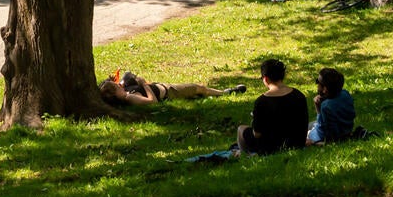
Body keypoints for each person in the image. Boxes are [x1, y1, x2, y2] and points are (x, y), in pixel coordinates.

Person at [236, 59, 308, 155]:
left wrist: (255, 120)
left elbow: (257, 134)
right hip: (296, 143)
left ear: (265, 79)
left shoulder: (261, 102)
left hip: (271, 148)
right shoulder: (299, 95)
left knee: (241, 129)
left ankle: (246, 154)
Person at [99, 72, 247, 106]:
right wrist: (144, 84)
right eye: (116, 87)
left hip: (162, 86)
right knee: (198, 88)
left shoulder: (124, 92)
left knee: (196, 90)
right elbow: (152, 101)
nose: (119, 85)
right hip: (168, 91)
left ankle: (207, 94)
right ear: (115, 94)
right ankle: (226, 92)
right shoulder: (128, 97)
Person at [307, 68, 355, 145]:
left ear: (325, 89)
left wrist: (313, 142)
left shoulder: (326, 106)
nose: (317, 85)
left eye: (318, 82)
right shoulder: (345, 94)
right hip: (346, 130)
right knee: (309, 124)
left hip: (320, 136)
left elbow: (330, 136)